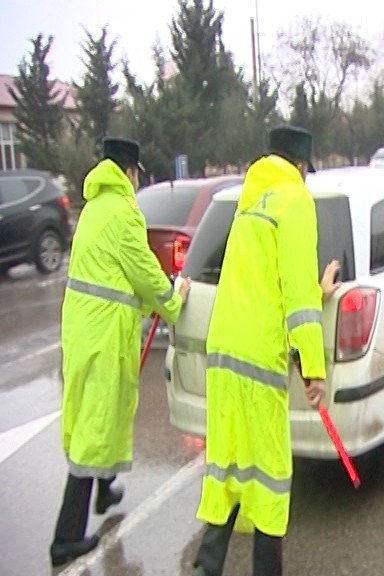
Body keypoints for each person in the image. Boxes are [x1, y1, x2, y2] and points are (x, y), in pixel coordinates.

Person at [192, 126, 342, 576]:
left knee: (229, 468)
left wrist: (317, 290)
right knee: (272, 477)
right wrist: (314, 367)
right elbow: (295, 293)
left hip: (223, 353)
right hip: (258, 358)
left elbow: (262, 282)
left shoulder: (249, 200)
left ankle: (205, 568)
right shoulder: (296, 200)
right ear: (300, 166)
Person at [50, 137, 192, 567]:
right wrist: (173, 299)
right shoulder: (123, 213)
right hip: (103, 334)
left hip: (82, 328)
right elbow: (145, 273)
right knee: (97, 425)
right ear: (130, 172)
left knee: (102, 414)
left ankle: (105, 488)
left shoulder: (93, 207)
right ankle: (66, 537)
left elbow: (115, 275)